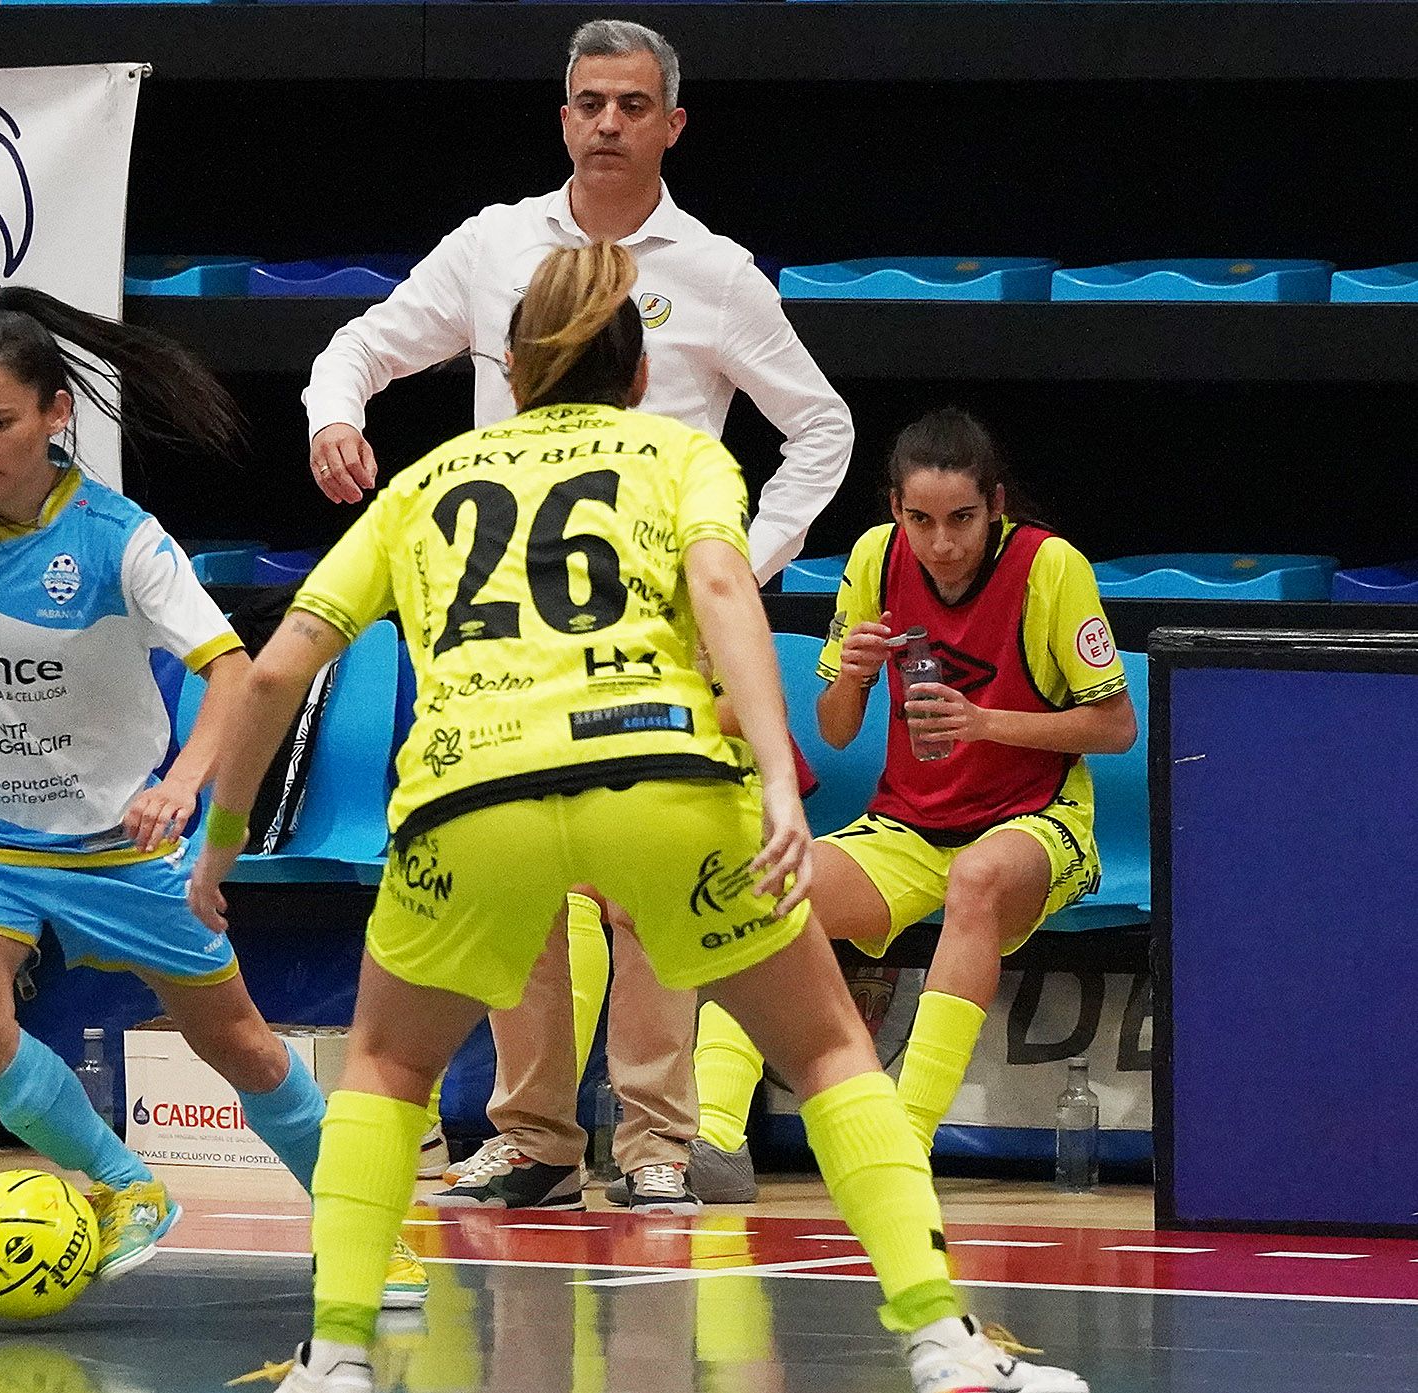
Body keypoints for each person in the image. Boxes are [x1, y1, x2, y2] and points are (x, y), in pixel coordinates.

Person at [202, 242, 1087, 1393]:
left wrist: (214, 847)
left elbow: (273, 676)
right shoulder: (681, 455)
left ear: (511, 377)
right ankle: (940, 1341)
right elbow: (724, 595)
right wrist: (775, 770)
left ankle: (336, 1358)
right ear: (634, 378)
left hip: (471, 791)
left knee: (378, 1066)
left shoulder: (425, 480)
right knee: (823, 1049)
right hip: (663, 778)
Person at [0, 286, 421, 1305]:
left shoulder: (119, 540)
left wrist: (181, 784)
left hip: (112, 845)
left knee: (242, 1046)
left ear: (53, 414)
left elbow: (231, 673)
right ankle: (126, 1186)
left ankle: (367, 1233)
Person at [305, 19, 855, 1213]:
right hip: (494, 633)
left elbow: (820, 427)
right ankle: (536, 1134)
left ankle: (656, 1140)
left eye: (630, 103)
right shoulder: (493, 244)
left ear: (670, 125)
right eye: (587, 102)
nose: (606, 122)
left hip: (647, 633)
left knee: (654, 882)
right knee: (520, 877)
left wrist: (734, 566)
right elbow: (362, 344)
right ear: (562, 119)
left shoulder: (713, 270)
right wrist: (332, 413)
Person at [690, 409, 1136, 1177]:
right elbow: (833, 729)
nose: (942, 543)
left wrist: (983, 721)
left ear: (995, 505)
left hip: (1034, 821)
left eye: (961, 518)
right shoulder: (874, 558)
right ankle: (713, 1138)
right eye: (920, 520)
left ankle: (902, 1141)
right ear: (895, 510)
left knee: (977, 878)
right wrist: (856, 673)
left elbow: (1115, 726)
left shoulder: (1049, 566)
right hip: (908, 825)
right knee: (763, 891)